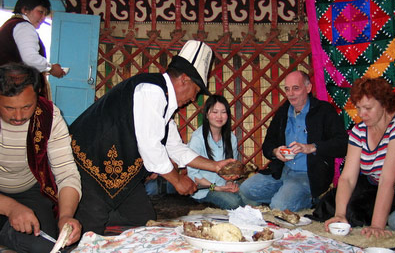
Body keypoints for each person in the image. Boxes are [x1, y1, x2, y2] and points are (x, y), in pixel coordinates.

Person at [69, 40, 237, 235]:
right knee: (89, 229)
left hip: (119, 175)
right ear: (184, 80)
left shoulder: (164, 104)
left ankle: (104, 215)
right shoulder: (151, 91)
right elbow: (151, 148)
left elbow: (176, 148)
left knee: (142, 217)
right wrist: (177, 181)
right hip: (90, 165)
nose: (193, 99)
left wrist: (216, 166)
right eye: (196, 91)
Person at [0, 63, 81, 253]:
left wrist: (66, 216)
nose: (18, 116)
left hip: (29, 190)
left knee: (48, 247)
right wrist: (10, 207)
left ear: (37, 95)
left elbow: (66, 172)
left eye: (27, 106)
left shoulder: (48, 115)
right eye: (9, 108)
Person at [239, 70, 348, 212]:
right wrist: (275, 152)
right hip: (282, 170)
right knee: (246, 189)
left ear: (308, 88)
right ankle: (285, 195)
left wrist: (312, 147)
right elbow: (267, 144)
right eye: (287, 89)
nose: (290, 94)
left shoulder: (324, 111)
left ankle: (309, 199)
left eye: (296, 88)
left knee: (279, 206)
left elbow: (342, 144)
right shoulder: (283, 112)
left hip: (308, 174)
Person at [323, 77, 395, 238]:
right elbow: (348, 178)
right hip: (375, 186)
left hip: (393, 187)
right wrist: (340, 215)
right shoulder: (359, 131)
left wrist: (377, 225)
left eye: (368, 108)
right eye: (358, 108)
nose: (361, 114)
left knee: (394, 222)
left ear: (384, 104)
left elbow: (388, 180)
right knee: (330, 206)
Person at [187, 95, 256, 209]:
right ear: (207, 115)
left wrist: (230, 183)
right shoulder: (198, 139)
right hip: (204, 189)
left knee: (252, 201)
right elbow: (193, 174)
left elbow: (231, 170)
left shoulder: (231, 138)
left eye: (223, 112)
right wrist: (216, 188)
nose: (219, 116)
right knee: (234, 202)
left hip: (224, 185)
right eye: (215, 112)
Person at [0, 0, 65, 98]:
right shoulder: (24, 27)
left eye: (45, 14)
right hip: (15, 92)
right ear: (25, 9)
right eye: (40, 12)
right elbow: (30, 58)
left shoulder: (10, 24)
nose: (43, 18)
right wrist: (51, 68)